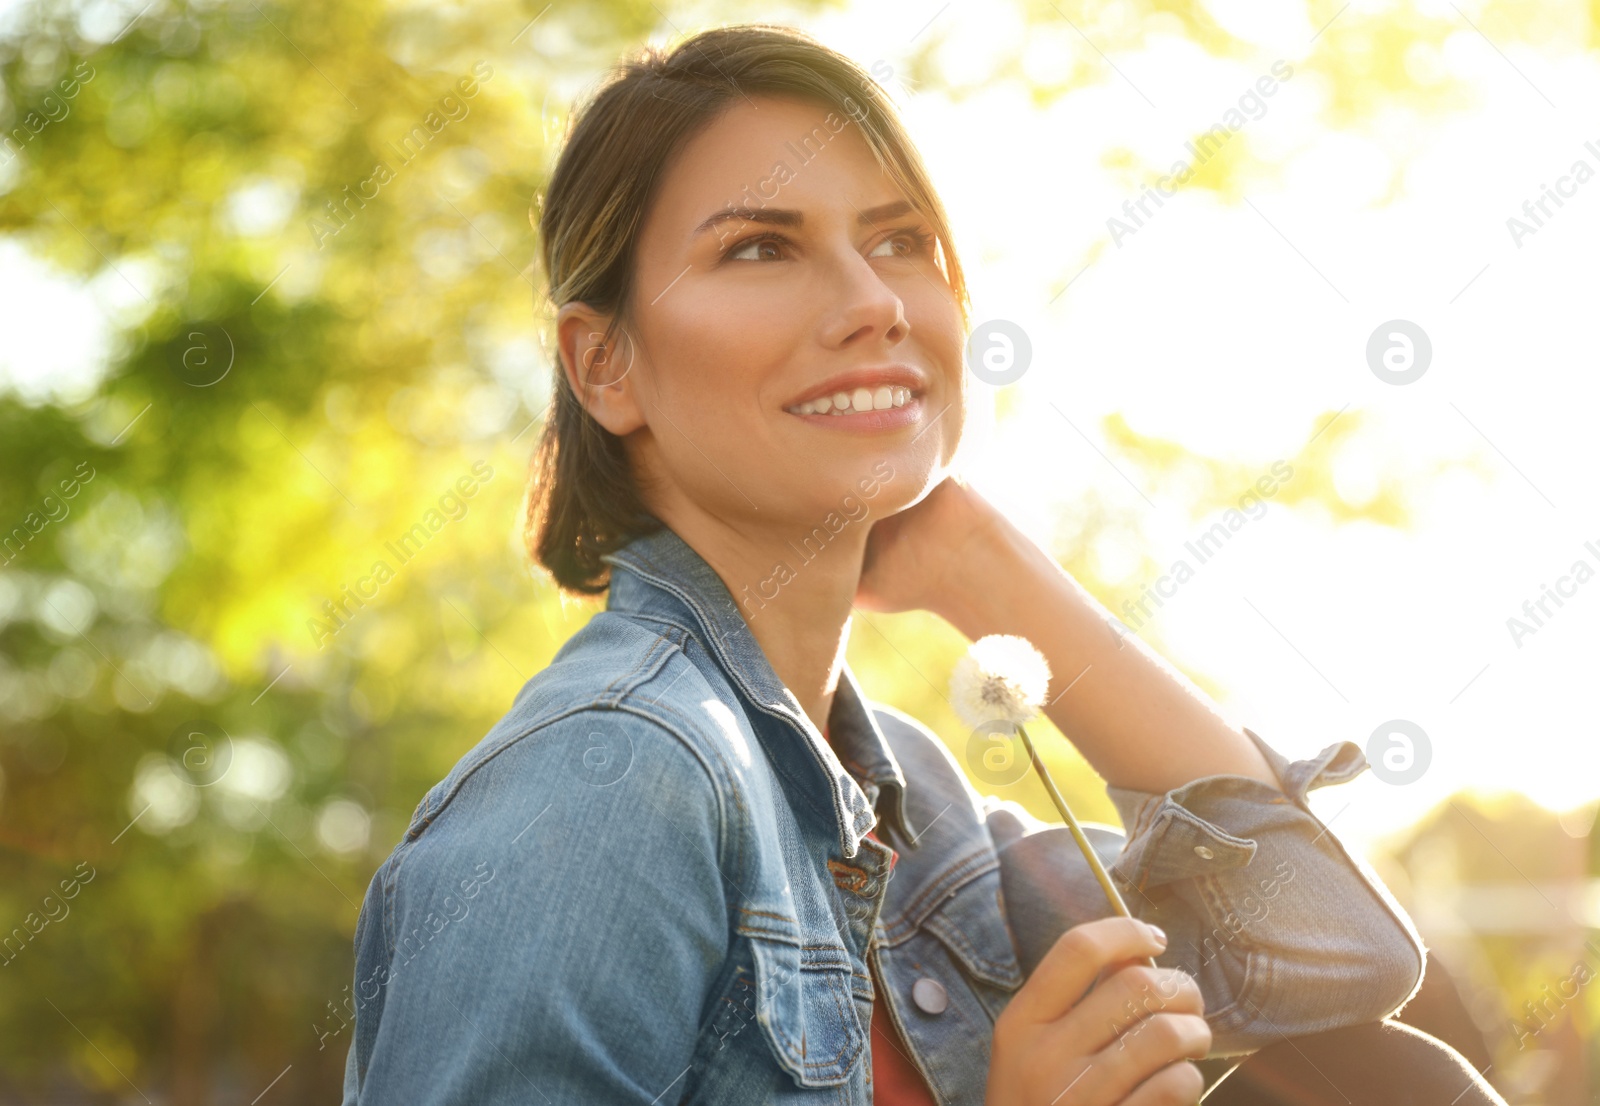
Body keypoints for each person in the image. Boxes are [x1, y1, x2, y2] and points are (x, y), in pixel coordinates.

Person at [338, 24, 1508, 1106]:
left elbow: (1331, 957)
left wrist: (985, 567)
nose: (871, 302)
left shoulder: (905, 798)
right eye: (759, 247)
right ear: (605, 367)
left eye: (899, 241)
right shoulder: (611, 778)